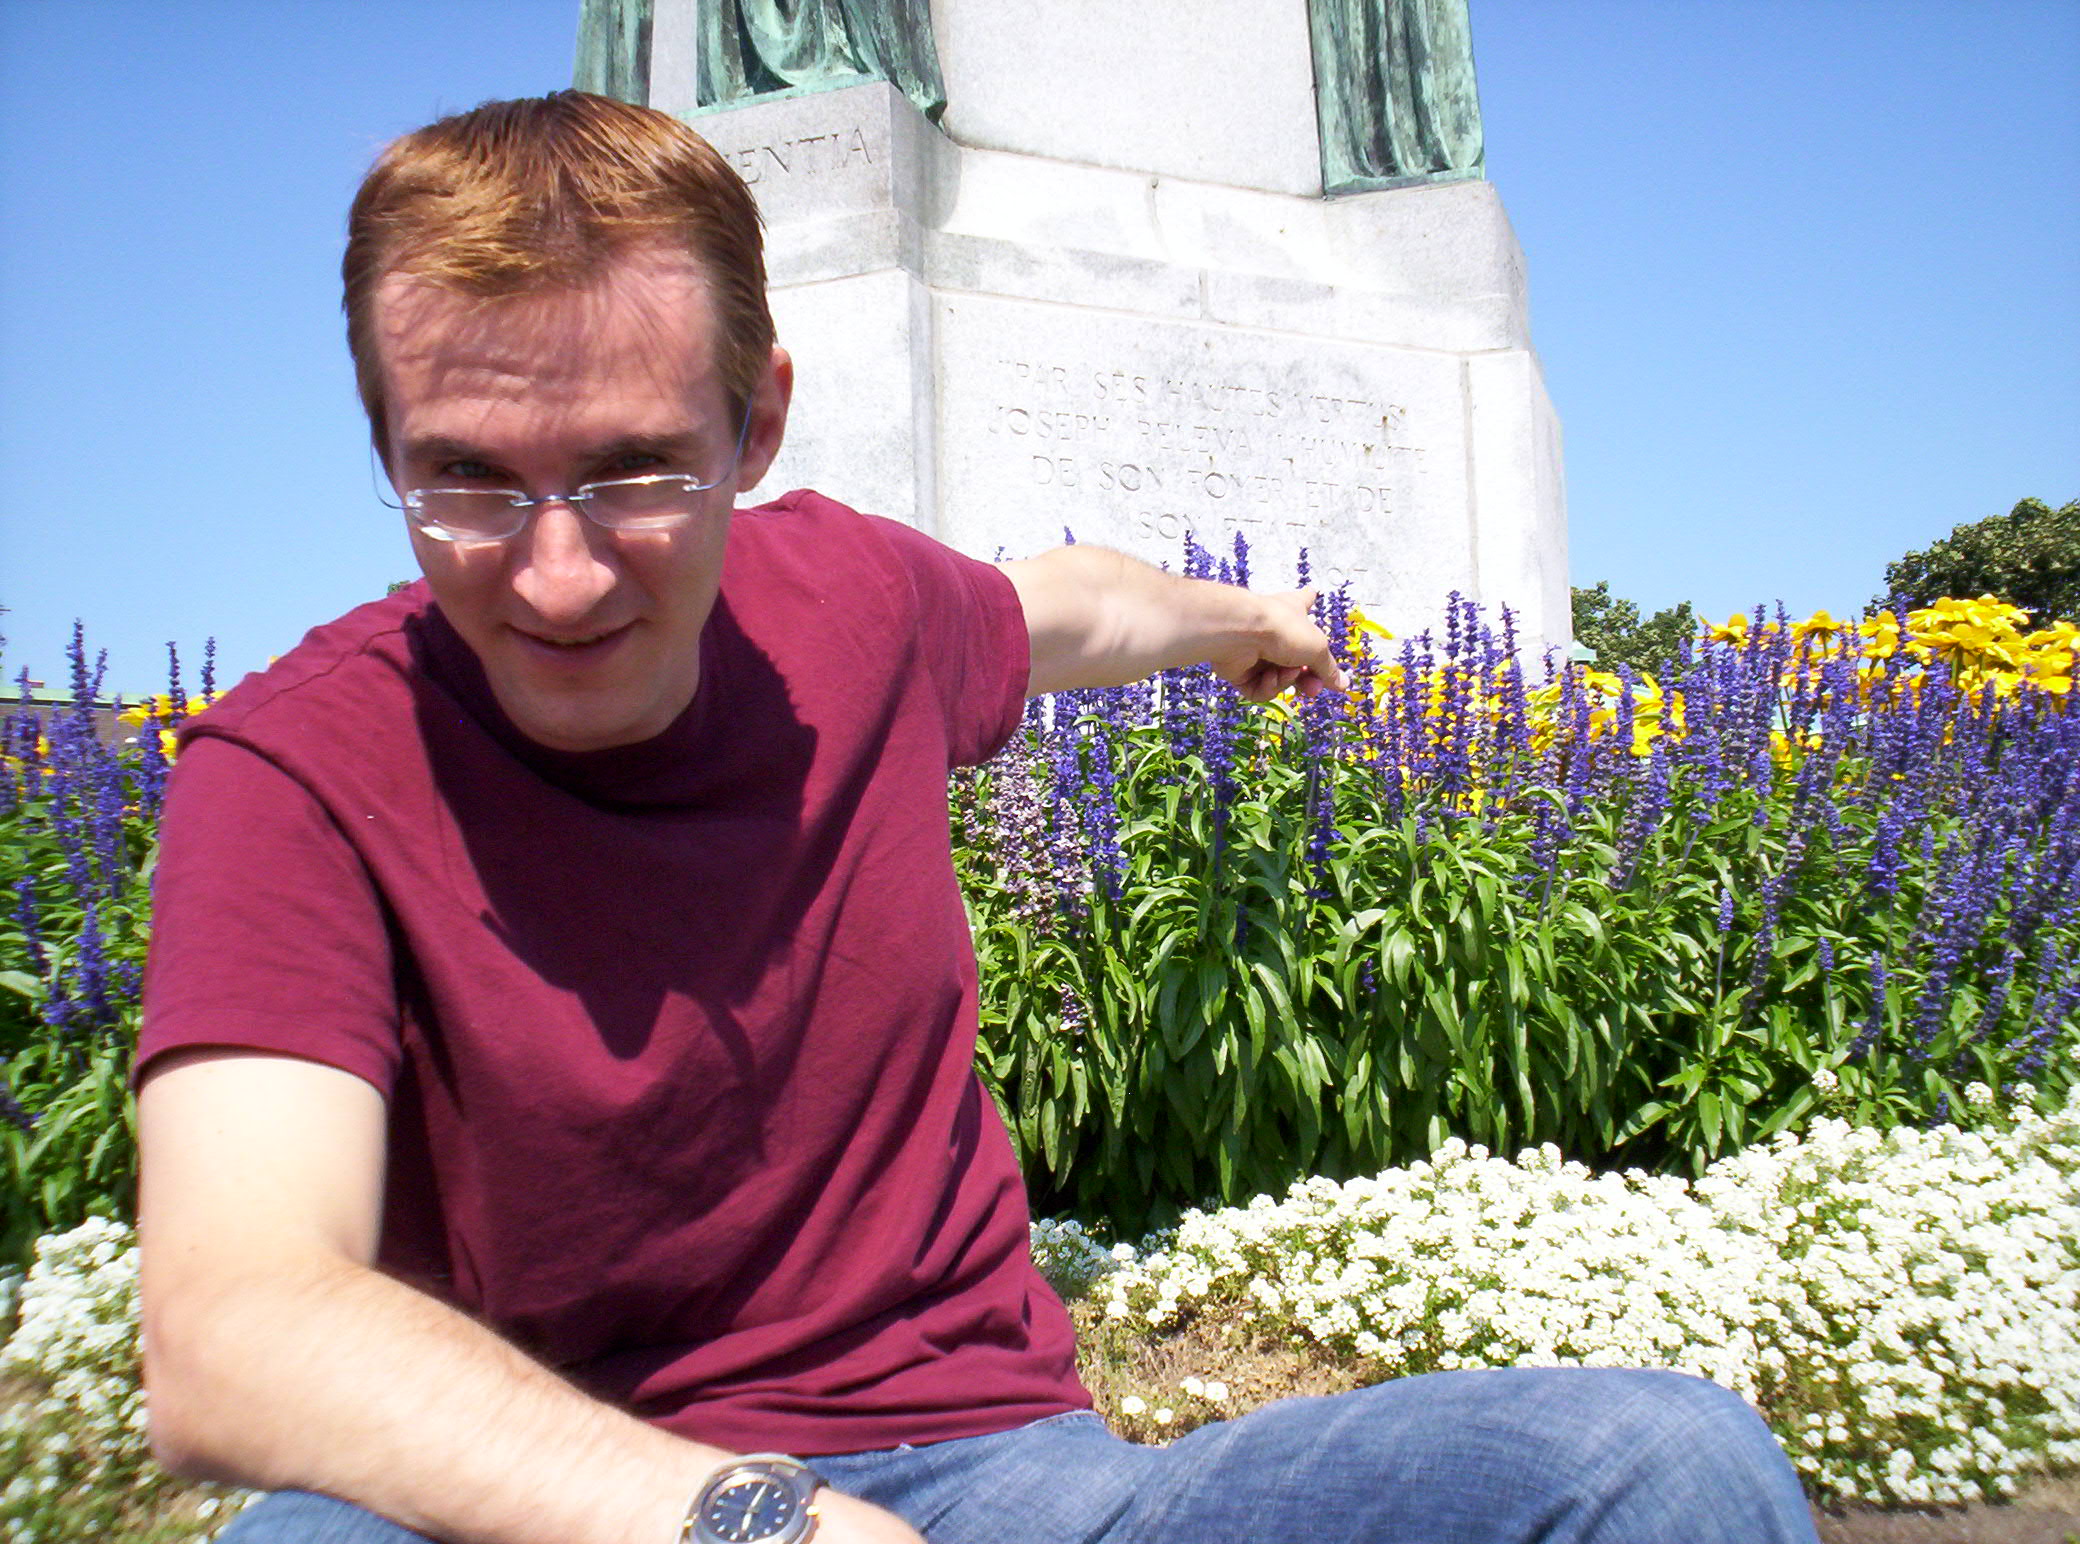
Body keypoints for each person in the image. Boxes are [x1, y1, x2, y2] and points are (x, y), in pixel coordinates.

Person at [135, 91, 1819, 1544]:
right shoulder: (294, 772)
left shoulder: (851, 603)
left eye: (638, 468)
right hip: (539, 1494)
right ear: (386, 441)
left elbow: (1073, 607)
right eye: (469, 480)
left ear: (758, 421)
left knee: (1655, 1466)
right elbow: (234, 1326)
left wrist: (1249, 621)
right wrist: (749, 1524)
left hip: (994, 1476)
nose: (558, 574)